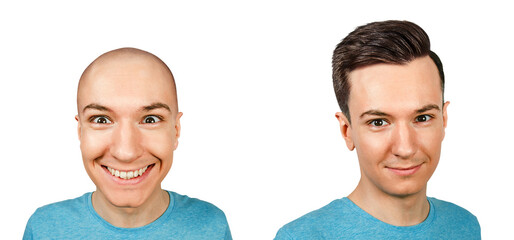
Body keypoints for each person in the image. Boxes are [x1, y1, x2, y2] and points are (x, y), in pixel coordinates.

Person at [274, 20, 480, 239]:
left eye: (422, 118)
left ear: (444, 119)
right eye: (378, 122)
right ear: (347, 130)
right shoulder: (302, 236)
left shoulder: (464, 225)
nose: (405, 148)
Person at [23, 48, 232, 239]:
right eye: (101, 120)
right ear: (80, 131)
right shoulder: (44, 229)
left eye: (150, 119)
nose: (126, 152)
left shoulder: (212, 226)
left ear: (175, 131)